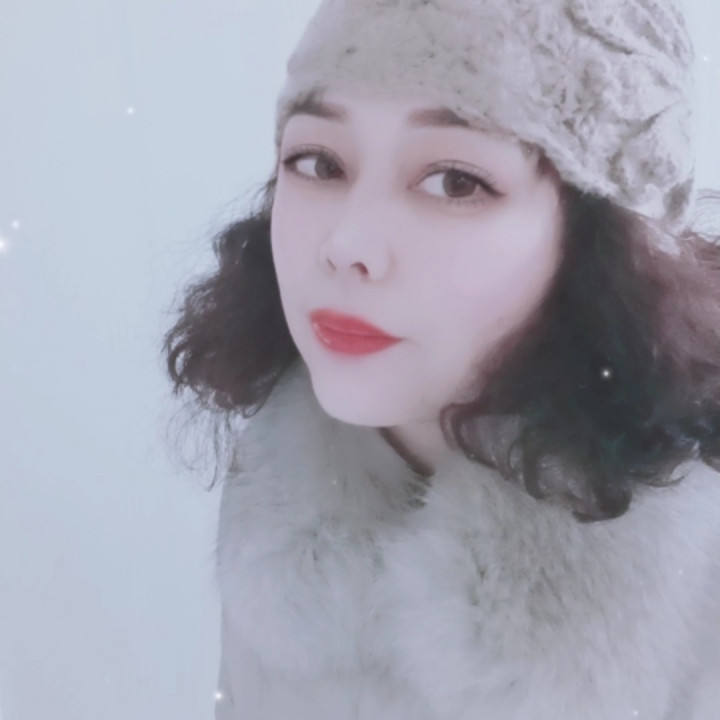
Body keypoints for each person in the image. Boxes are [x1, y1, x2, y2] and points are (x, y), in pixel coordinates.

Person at [164, 0, 720, 717]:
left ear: (600, 237)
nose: (346, 243)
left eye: (455, 181)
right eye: (318, 162)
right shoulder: (277, 480)